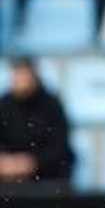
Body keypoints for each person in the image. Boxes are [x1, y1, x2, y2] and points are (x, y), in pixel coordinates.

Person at [0, 58, 73, 186]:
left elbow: (59, 146)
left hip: (47, 176)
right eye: (17, 76)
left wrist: (32, 162)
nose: (21, 81)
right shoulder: (4, 105)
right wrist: (7, 162)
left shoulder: (51, 105)